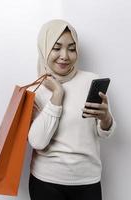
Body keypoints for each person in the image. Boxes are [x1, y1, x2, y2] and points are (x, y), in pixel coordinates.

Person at [27, 19, 116, 200]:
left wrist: (106, 118)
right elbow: (37, 142)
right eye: (57, 47)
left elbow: (104, 132)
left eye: (71, 48)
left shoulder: (91, 81)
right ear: (44, 48)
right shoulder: (35, 90)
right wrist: (57, 94)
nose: (65, 56)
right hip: (46, 182)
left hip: (87, 181)